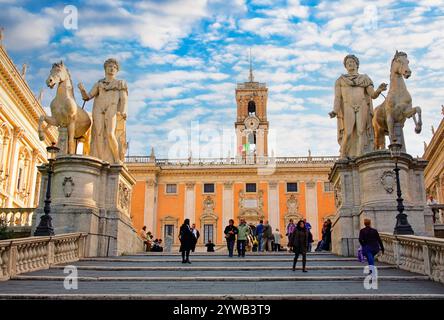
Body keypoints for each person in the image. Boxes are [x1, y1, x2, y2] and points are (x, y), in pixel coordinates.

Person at [329, 54, 387, 158]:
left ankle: (360, 156)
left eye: (352, 62)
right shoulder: (340, 80)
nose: (350, 64)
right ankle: (343, 154)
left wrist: (379, 90)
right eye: (347, 63)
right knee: (349, 132)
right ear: (345, 66)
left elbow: (372, 94)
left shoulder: (365, 78)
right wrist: (335, 110)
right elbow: (337, 97)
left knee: (361, 131)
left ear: (357, 64)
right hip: (348, 106)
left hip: (362, 105)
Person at [78, 58, 128, 163]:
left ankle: (116, 158)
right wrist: (82, 89)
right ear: (105, 69)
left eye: (114, 67)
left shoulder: (120, 83)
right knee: (98, 134)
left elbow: (124, 99)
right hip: (98, 108)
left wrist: (123, 111)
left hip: (112, 108)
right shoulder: (99, 84)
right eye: (109, 66)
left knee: (110, 133)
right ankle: (99, 160)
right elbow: (87, 97)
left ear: (117, 70)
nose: (112, 69)